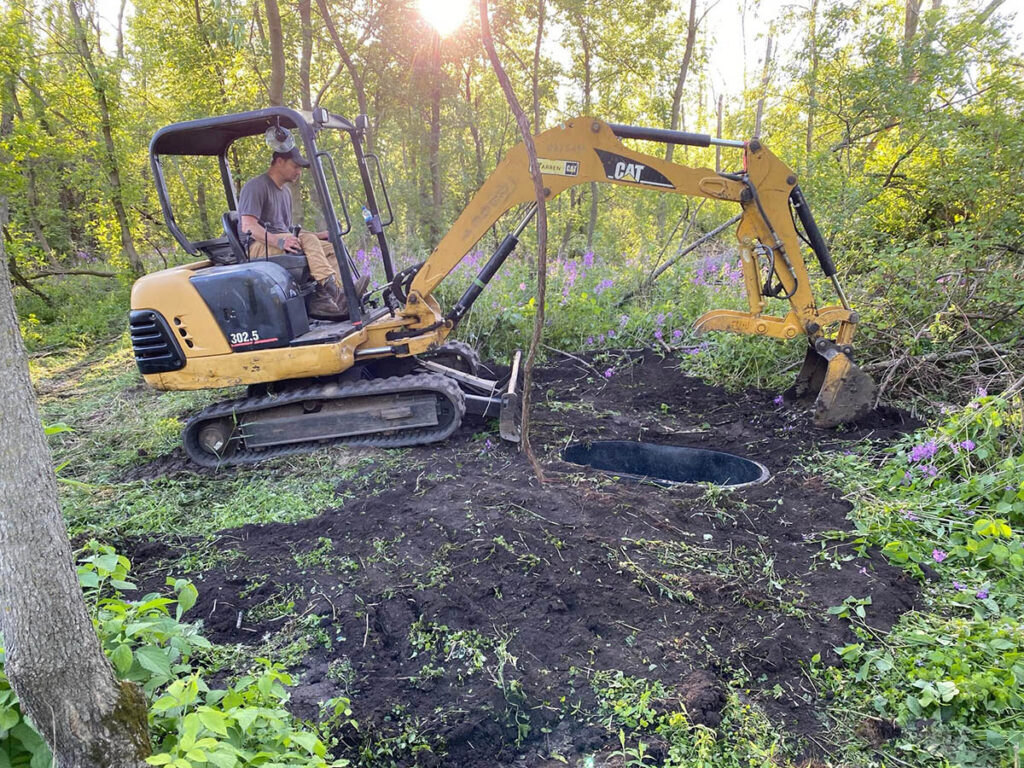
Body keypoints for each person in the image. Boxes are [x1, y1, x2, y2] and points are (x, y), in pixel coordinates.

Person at [238, 147, 369, 320]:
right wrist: (280, 243)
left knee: (329, 246)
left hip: (277, 242)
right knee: (307, 239)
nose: (299, 172)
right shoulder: (256, 186)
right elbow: (248, 227)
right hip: (257, 247)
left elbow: (287, 230)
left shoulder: (285, 192)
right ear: (279, 162)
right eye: (295, 166)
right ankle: (337, 294)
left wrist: (318, 235)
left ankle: (329, 298)